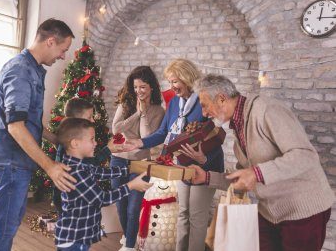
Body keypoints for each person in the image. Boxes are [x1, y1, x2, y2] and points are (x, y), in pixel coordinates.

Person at [190, 74, 335, 251]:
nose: (204, 113)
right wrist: (206, 177)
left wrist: (257, 173)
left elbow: (305, 155)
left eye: (204, 105)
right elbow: (242, 178)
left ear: (221, 98)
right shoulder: (238, 127)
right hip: (270, 212)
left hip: (303, 211)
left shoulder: (267, 110)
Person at [0, 18, 77, 251]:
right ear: (51, 41)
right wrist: (50, 166)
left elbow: (28, 121)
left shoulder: (32, 69)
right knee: (3, 229)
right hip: (11, 162)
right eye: (63, 50)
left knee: (8, 225)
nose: (63, 56)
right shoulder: (21, 71)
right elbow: (15, 126)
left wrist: (55, 139)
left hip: (16, 162)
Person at [126, 59, 224, 251]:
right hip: (182, 166)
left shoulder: (203, 101)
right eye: (170, 82)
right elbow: (163, 133)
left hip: (206, 167)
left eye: (175, 81)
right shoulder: (174, 104)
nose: (172, 87)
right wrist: (140, 142)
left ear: (187, 78)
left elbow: (216, 136)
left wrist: (204, 158)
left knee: (196, 217)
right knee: (183, 213)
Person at [55, 117, 153, 251]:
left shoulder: (81, 165)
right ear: (75, 144)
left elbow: (100, 172)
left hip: (77, 236)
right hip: (73, 238)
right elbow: (101, 199)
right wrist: (130, 186)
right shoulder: (76, 172)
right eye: (91, 139)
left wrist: (129, 169)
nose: (95, 143)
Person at [111, 66, 165, 251]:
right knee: (121, 205)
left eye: (143, 87)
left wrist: (144, 115)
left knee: (133, 208)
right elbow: (116, 129)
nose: (138, 91)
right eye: (135, 87)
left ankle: (128, 247)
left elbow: (146, 138)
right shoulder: (125, 104)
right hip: (118, 160)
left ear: (151, 88)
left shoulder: (158, 111)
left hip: (141, 163)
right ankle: (129, 239)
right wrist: (137, 113)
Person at [52, 97, 130, 216]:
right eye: (89, 117)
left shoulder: (70, 143)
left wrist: (127, 168)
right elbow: (90, 165)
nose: (92, 120)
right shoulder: (70, 151)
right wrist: (107, 150)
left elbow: (93, 169)